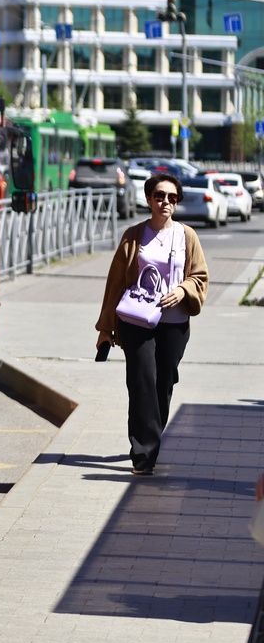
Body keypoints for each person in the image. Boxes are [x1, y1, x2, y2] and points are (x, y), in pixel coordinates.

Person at [96, 172, 208, 476]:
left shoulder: (187, 236)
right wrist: (106, 328)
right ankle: (144, 453)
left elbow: (199, 276)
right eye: (159, 196)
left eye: (172, 198)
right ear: (148, 199)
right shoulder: (133, 235)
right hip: (137, 320)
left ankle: (151, 438)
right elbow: (115, 283)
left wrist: (183, 291)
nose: (166, 202)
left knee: (164, 382)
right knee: (141, 381)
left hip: (174, 322)